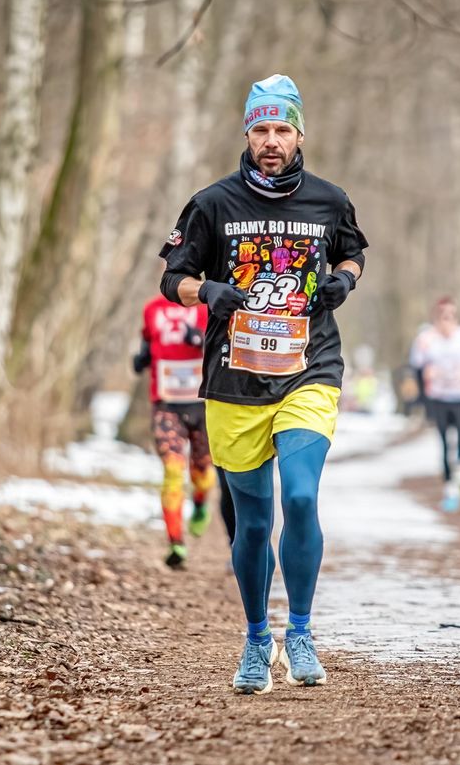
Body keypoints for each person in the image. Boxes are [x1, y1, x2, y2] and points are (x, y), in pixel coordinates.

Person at [159, 74, 368, 694]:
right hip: (234, 382)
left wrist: (345, 280)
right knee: (252, 523)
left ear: (300, 133)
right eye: (261, 130)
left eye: (282, 129)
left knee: (300, 498)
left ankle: (299, 630)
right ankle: (256, 640)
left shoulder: (329, 201)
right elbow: (173, 277)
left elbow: (353, 251)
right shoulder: (212, 203)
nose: (271, 141)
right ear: (246, 133)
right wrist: (208, 290)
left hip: (310, 370)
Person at [133, 293, 224, 568]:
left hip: (202, 404)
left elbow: (224, 347)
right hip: (165, 403)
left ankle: (199, 502)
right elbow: (147, 341)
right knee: (173, 469)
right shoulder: (151, 308)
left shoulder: (210, 305)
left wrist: (197, 339)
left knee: (203, 472)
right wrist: (142, 356)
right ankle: (176, 543)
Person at [409, 297, 460, 511]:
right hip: (438, 397)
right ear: (436, 317)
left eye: (451, 315)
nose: (447, 319)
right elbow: (416, 368)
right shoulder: (425, 339)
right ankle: (450, 486)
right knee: (443, 442)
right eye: (443, 315)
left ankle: (457, 465)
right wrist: (423, 395)